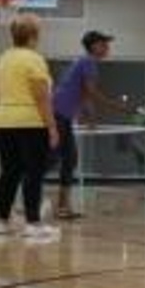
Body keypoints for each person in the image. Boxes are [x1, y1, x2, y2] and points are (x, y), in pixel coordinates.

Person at [0, 14, 60, 242]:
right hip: (30, 121)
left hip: (4, 119)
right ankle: (33, 224)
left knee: (9, 172)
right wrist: (52, 126)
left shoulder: (4, 58)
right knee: (34, 172)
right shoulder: (34, 59)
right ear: (34, 35)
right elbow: (42, 97)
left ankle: (1, 222)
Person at [51, 30, 124, 220]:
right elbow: (90, 92)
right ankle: (52, 205)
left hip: (61, 116)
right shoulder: (88, 62)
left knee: (68, 159)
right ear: (94, 46)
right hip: (57, 115)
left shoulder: (84, 62)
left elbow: (83, 94)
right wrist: (114, 105)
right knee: (58, 159)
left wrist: (89, 116)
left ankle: (62, 206)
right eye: (104, 44)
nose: (107, 48)